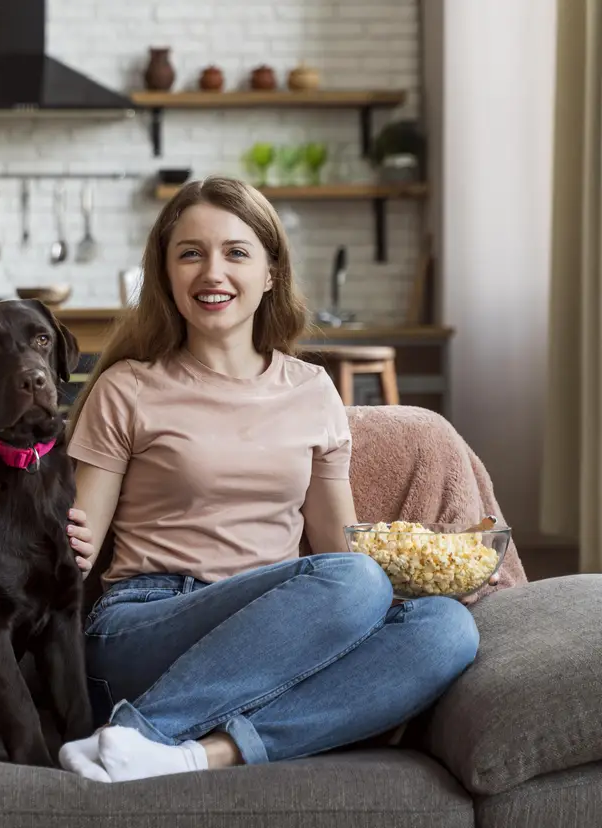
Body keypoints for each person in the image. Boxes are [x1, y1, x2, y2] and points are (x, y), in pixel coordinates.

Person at [57, 176, 483, 784]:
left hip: (275, 633)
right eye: (190, 253)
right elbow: (74, 548)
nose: (212, 273)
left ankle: (186, 753)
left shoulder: (312, 390)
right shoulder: (127, 387)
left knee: (447, 630)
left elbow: (339, 549)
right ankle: (139, 727)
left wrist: (433, 568)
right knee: (356, 580)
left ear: (270, 271)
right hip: (145, 624)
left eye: (235, 252)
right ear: (165, 273)